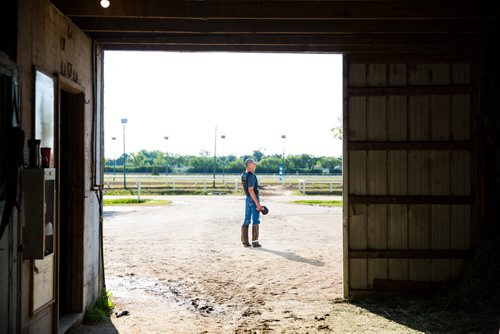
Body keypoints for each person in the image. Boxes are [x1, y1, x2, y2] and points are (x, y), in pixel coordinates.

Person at [241, 158, 263, 248]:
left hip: (247, 199)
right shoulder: (252, 176)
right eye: (254, 164)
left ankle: (245, 241)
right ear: (249, 165)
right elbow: (251, 189)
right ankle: (255, 241)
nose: (255, 165)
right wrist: (257, 203)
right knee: (255, 219)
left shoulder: (244, 175)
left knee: (246, 219)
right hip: (253, 198)